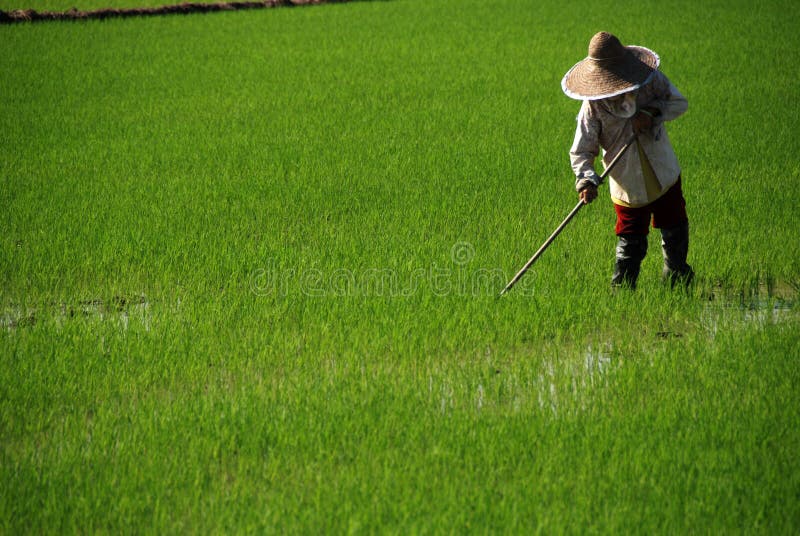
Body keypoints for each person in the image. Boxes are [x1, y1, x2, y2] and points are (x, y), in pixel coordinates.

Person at [561, 31, 694, 289]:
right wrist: (586, 181)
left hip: (662, 170)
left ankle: (677, 281)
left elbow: (678, 103)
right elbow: (581, 151)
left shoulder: (649, 82)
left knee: (674, 228)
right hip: (626, 181)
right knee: (630, 242)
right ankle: (622, 293)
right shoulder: (593, 107)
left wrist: (651, 112)